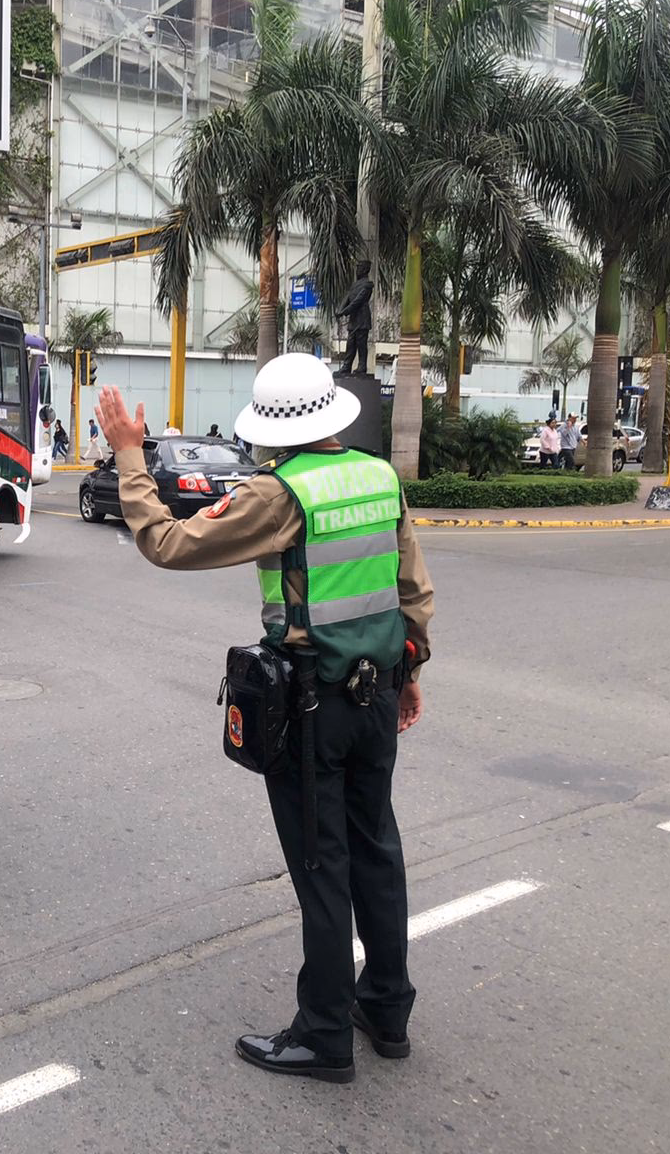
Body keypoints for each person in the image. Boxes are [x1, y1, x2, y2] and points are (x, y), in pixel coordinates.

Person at [94, 353, 434, 1085]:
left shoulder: (276, 495)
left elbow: (166, 543)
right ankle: (386, 1008)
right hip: (376, 697)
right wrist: (409, 674)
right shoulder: (380, 478)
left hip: (314, 707)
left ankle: (323, 1035)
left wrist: (129, 453)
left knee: (323, 867)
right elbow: (410, 589)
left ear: (274, 431)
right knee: (378, 851)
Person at [335, 259, 374, 375]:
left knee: (361, 344)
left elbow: (357, 301)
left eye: (359, 267)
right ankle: (347, 366)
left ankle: (362, 366)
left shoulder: (367, 285)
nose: (357, 270)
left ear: (365, 270)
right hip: (354, 318)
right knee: (351, 343)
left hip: (362, 318)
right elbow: (347, 298)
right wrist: (340, 310)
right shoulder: (355, 285)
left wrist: (344, 312)